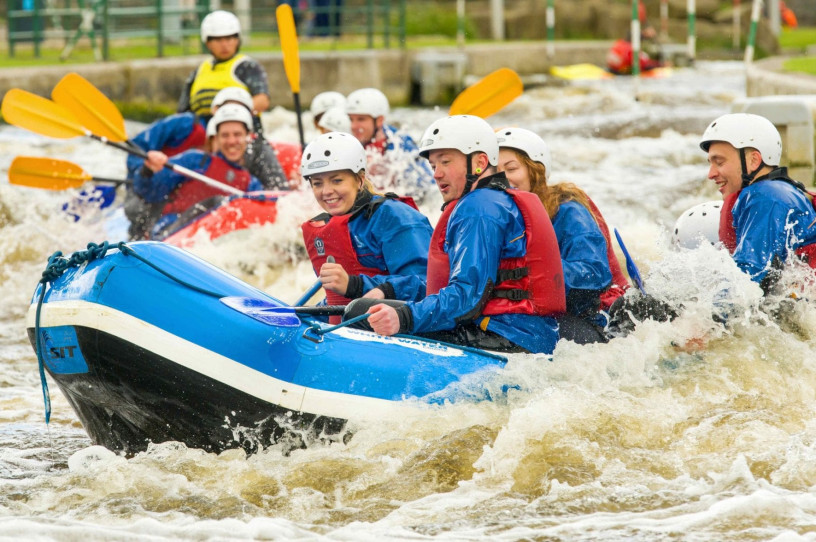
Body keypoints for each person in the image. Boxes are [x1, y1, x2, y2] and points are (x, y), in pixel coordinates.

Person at [365, 115, 566, 354]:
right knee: (372, 308)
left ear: (480, 162)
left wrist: (405, 317)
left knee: (360, 315)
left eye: (446, 162)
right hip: (525, 334)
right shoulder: (495, 199)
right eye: (433, 166)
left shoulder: (479, 208)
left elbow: (467, 295)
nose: (436, 174)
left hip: (508, 336)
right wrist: (390, 291)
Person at [495, 127, 625, 340]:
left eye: (511, 169)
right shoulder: (494, 215)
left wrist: (534, 268)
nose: (502, 179)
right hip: (528, 313)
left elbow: (594, 273)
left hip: (590, 317)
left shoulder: (568, 210)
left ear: (534, 171)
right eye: (496, 171)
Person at [300, 132, 433, 322]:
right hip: (352, 326)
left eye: (337, 180)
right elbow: (338, 302)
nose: (326, 191)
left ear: (360, 180)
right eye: (317, 184)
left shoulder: (396, 218)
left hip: (399, 327)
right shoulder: (328, 227)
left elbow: (428, 284)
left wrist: (355, 285)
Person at [124, 86, 287, 239]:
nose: (231, 141)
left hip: (216, 240)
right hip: (171, 232)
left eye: (237, 135)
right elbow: (147, 191)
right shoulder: (194, 161)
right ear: (215, 137)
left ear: (248, 137)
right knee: (215, 203)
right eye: (225, 135)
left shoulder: (250, 183)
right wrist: (147, 170)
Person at [700, 112, 816, 293]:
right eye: (710, 163)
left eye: (719, 162)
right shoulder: (776, 192)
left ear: (754, 161)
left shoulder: (766, 198)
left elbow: (745, 280)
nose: (711, 174)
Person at [177, 10, 270, 119]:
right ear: (207, 43)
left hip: (239, 128)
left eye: (229, 38)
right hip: (204, 130)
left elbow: (262, 101)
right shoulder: (198, 72)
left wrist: (227, 112)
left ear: (237, 40)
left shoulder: (247, 67)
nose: (224, 45)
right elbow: (181, 113)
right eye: (218, 40)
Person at [345, 87, 434, 197]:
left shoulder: (402, 146)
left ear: (379, 120)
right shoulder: (347, 144)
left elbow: (425, 190)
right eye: (351, 119)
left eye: (361, 119)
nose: (353, 126)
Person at [606, 1, 663, 75]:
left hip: (614, 71)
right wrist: (662, 65)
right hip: (622, 73)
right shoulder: (631, 51)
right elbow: (646, 65)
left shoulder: (618, 44)